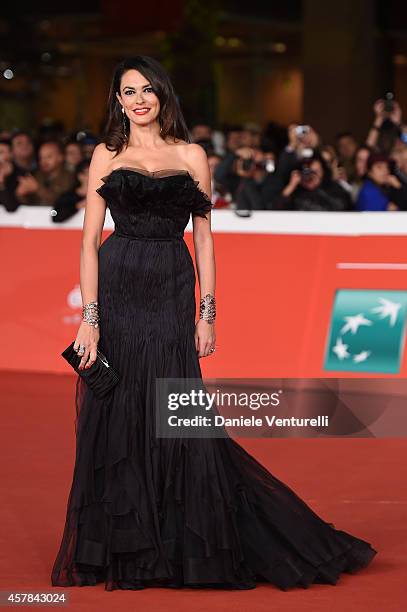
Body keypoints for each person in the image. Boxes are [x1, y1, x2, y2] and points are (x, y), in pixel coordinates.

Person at [50, 55, 376, 591]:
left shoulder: (193, 154)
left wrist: (208, 312)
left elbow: (203, 239)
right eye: (128, 91)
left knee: (177, 416)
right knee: (121, 413)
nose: (138, 100)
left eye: (147, 89)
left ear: (163, 95)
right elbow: (87, 241)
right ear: (117, 100)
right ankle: (124, 548)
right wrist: (90, 319)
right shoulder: (106, 155)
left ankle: (186, 542)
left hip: (172, 288)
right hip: (119, 288)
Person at [273, 153, 353, 211]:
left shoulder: (334, 188)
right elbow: (275, 210)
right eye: (307, 172)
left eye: (315, 172)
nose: (310, 175)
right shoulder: (295, 193)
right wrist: (291, 185)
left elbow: (341, 207)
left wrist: (317, 187)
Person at [16, 140, 75, 206]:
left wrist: (37, 189)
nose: (44, 161)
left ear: (60, 157)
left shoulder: (70, 177)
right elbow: (29, 202)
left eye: (48, 157)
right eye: (41, 158)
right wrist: (21, 194)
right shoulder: (36, 175)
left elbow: (61, 201)